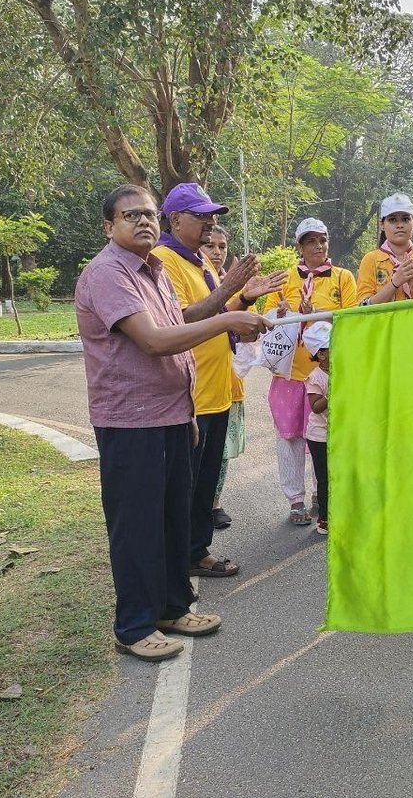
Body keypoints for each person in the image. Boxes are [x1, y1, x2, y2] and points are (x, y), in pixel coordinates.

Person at [76, 183, 268, 662]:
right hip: (131, 421)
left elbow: (182, 316)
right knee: (137, 523)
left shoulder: (155, 270)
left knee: (170, 518)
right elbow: (156, 341)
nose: (142, 222)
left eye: (147, 214)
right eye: (130, 215)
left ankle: (171, 607)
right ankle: (135, 625)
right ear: (108, 226)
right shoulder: (107, 273)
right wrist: (228, 322)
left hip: (173, 414)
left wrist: (229, 302)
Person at [151, 183, 286, 578]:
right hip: (191, 394)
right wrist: (230, 288)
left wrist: (243, 298)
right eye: (202, 215)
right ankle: (178, 559)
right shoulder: (164, 260)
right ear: (176, 219)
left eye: (213, 216)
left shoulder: (198, 261)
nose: (211, 223)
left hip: (219, 388)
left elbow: (222, 313)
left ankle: (197, 551)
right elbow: (183, 319)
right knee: (185, 485)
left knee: (205, 483)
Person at [273, 218, 357, 524]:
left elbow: (351, 321)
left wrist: (316, 317)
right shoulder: (283, 281)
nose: (318, 246)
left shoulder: (343, 278)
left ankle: (321, 495)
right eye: (310, 241)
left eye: (322, 239)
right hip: (290, 375)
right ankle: (295, 499)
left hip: (327, 374)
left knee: (324, 438)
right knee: (290, 437)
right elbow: (270, 325)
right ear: (300, 247)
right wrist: (287, 315)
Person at [202, 224, 246, 530]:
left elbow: (235, 330)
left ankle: (214, 502)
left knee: (222, 452)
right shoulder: (204, 281)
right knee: (201, 455)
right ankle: (204, 506)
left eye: (222, 246)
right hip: (201, 387)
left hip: (230, 381)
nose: (217, 253)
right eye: (211, 246)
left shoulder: (228, 284)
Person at [356, 193, 413, 304]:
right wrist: (395, 283)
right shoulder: (370, 260)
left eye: (405, 219)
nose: (400, 225)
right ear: (381, 225)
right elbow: (363, 306)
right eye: (393, 220)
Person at [303, 321, 332, 535]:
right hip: (319, 436)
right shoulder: (316, 377)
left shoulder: (344, 370)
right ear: (321, 354)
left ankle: (339, 513)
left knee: (338, 475)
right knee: (324, 477)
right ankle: (324, 518)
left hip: (338, 434)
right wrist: (333, 391)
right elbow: (315, 408)